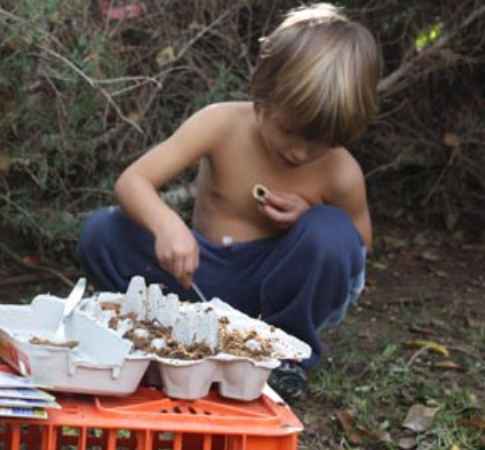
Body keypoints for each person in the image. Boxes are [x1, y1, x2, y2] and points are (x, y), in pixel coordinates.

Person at [76, 3, 380, 400]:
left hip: (270, 288)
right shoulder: (221, 124)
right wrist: (167, 226)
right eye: (289, 131)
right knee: (103, 231)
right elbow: (134, 181)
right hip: (198, 278)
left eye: (320, 143)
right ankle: (155, 329)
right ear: (264, 92)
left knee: (330, 233)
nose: (301, 153)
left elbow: (357, 246)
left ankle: (284, 355)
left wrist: (311, 218)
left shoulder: (339, 172)